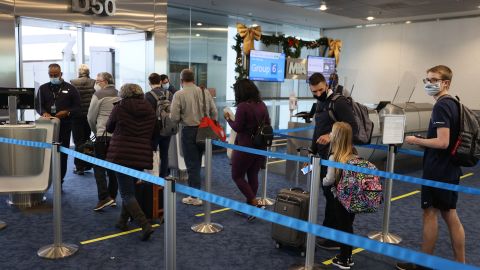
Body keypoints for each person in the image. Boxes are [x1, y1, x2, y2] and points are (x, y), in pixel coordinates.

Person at [396, 65, 465, 270]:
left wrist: (416, 140)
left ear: (445, 83)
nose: (429, 84)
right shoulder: (455, 103)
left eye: (433, 80)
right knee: (450, 214)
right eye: (427, 80)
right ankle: (460, 264)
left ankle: (423, 264)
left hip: (438, 170)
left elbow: (443, 142)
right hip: (450, 168)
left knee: (431, 213)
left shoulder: (442, 106)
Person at [308, 72, 356, 250]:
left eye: (320, 90)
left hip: (339, 157)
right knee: (329, 195)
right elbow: (317, 129)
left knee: (338, 198)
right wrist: (312, 151)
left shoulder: (339, 102)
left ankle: (338, 238)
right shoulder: (320, 103)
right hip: (323, 157)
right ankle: (330, 233)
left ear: (326, 84)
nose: (318, 94)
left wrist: (330, 136)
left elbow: (352, 127)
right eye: (314, 91)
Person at [106, 83, 156, 241]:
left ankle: (145, 225)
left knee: (126, 193)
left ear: (124, 94)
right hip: (140, 154)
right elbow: (154, 130)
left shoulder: (119, 108)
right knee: (130, 190)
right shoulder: (149, 108)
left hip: (121, 153)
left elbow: (109, 127)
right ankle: (122, 222)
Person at [170, 69, 218, 206]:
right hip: (204, 130)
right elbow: (214, 112)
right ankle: (195, 193)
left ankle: (195, 196)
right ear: (194, 79)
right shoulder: (204, 91)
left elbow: (174, 117)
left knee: (192, 164)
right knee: (197, 161)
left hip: (188, 131)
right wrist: (209, 122)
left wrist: (181, 119)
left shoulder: (179, 94)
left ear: (181, 80)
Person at [224, 79, 270, 221]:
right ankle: (250, 208)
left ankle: (254, 203)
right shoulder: (262, 104)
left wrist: (228, 119)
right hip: (260, 147)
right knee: (252, 175)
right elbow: (267, 124)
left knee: (237, 176)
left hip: (245, 147)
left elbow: (237, 127)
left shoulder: (243, 106)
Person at [36, 63, 81, 184]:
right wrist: (43, 112)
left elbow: (77, 107)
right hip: (47, 126)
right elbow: (38, 106)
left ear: (61, 74)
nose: (53, 77)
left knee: (62, 153)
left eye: (56, 75)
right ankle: (46, 178)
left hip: (64, 125)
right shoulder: (43, 88)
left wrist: (67, 112)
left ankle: (60, 179)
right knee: (46, 153)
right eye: (51, 75)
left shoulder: (71, 88)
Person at [322, 122, 357, 269]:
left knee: (343, 227)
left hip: (340, 197)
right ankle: (348, 255)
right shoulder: (354, 151)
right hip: (354, 195)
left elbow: (329, 179)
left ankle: (344, 259)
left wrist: (322, 180)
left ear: (336, 136)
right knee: (348, 226)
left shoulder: (334, 156)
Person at [87, 72, 120, 211]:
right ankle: (112, 197)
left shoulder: (98, 95)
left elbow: (90, 117)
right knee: (113, 167)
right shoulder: (120, 93)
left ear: (105, 81)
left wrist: (95, 132)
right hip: (117, 136)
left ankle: (103, 197)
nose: (96, 83)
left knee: (99, 167)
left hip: (103, 135)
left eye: (98, 81)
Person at [145, 72, 174, 179]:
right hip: (167, 127)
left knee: (152, 152)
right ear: (160, 81)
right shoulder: (169, 94)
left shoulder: (148, 95)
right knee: (165, 153)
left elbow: (146, 114)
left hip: (154, 129)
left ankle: (153, 176)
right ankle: (164, 175)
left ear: (149, 82)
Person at [70, 64, 95, 175]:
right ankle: (88, 164)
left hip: (76, 116)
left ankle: (79, 166)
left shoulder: (72, 82)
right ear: (88, 72)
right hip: (89, 115)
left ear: (79, 73)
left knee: (78, 141)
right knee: (87, 140)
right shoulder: (93, 82)